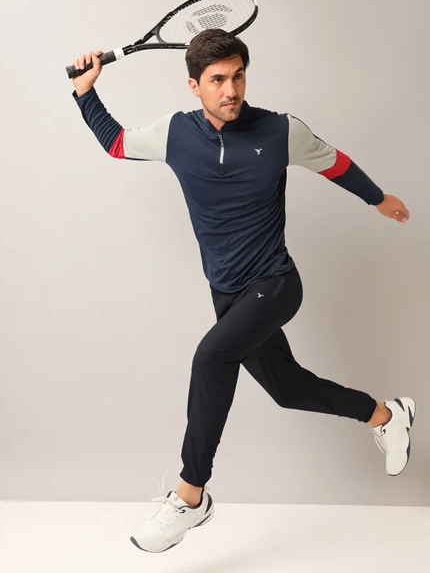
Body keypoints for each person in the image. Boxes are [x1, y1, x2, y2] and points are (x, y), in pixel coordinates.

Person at [71, 29, 415, 554]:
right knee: (287, 389)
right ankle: (386, 415)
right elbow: (116, 142)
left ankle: (190, 495)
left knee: (211, 357)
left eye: (238, 76)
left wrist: (378, 198)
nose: (230, 90)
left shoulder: (280, 131)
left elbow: (335, 163)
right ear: (194, 86)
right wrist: (85, 91)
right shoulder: (175, 134)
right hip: (227, 294)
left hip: (276, 283)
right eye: (217, 80)